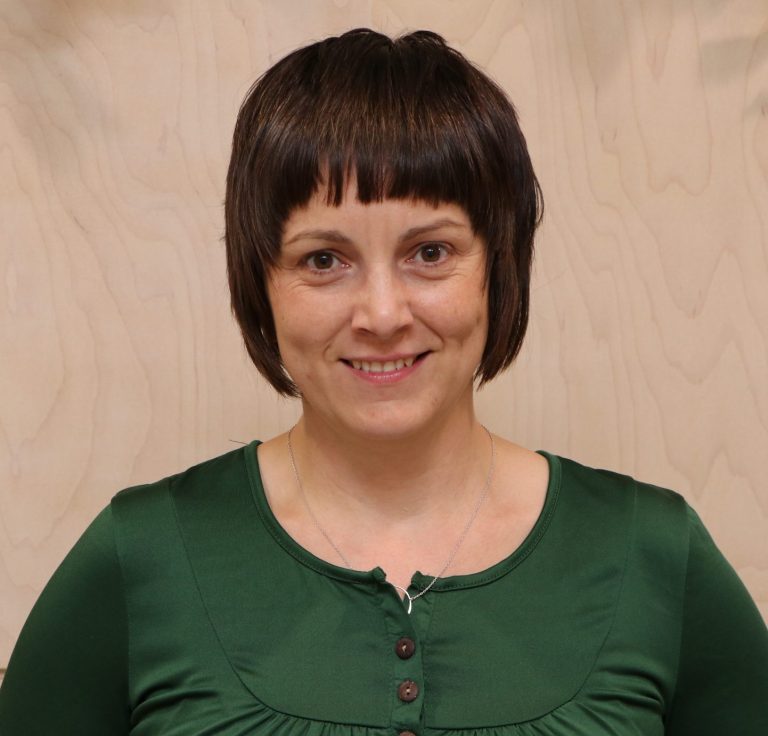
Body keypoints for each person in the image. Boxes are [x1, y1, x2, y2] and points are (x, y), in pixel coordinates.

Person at [1, 27, 766, 735]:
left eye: (430, 253)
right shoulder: (140, 557)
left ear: (498, 268)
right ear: (258, 283)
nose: (381, 312)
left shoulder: (655, 555)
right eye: (322, 260)